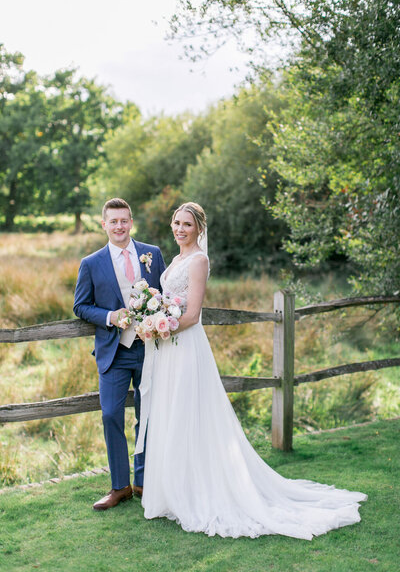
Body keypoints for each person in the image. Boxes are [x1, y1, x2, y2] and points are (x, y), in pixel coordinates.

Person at [135, 202, 367, 539]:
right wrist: (154, 316)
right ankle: (173, 491)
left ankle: (199, 492)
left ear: (200, 228)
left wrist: (160, 327)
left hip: (185, 346)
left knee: (188, 412)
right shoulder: (175, 261)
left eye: (187, 224)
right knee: (171, 413)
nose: (180, 229)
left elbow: (194, 314)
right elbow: (169, 300)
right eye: (176, 223)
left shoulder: (199, 260)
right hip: (168, 348)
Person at [73, 198, 165, 510]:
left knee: (148, 416)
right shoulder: (91, 263)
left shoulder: (152, 254)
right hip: (113, 352)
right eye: (113, 221)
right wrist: (111, 317)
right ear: (104, 225)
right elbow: (81, 306)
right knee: (111, 414)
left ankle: (143, 482)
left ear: (131, 221)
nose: (119, 227)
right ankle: (119, 486)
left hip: (151, 349)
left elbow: (164, 296)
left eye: (124, 220)